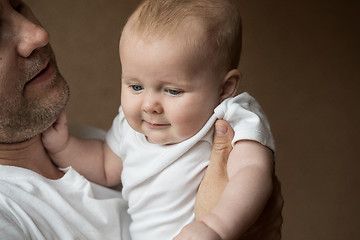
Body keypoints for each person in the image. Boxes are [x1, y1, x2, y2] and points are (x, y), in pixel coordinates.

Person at [0, 0, 282, 239]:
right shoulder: (131, 126)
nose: (149, 105)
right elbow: (106, 164)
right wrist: (65, 148)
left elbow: (252, 173)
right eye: (136, 87)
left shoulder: (233, 115)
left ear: (224, 88)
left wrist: (215, 226)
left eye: (172, 90)